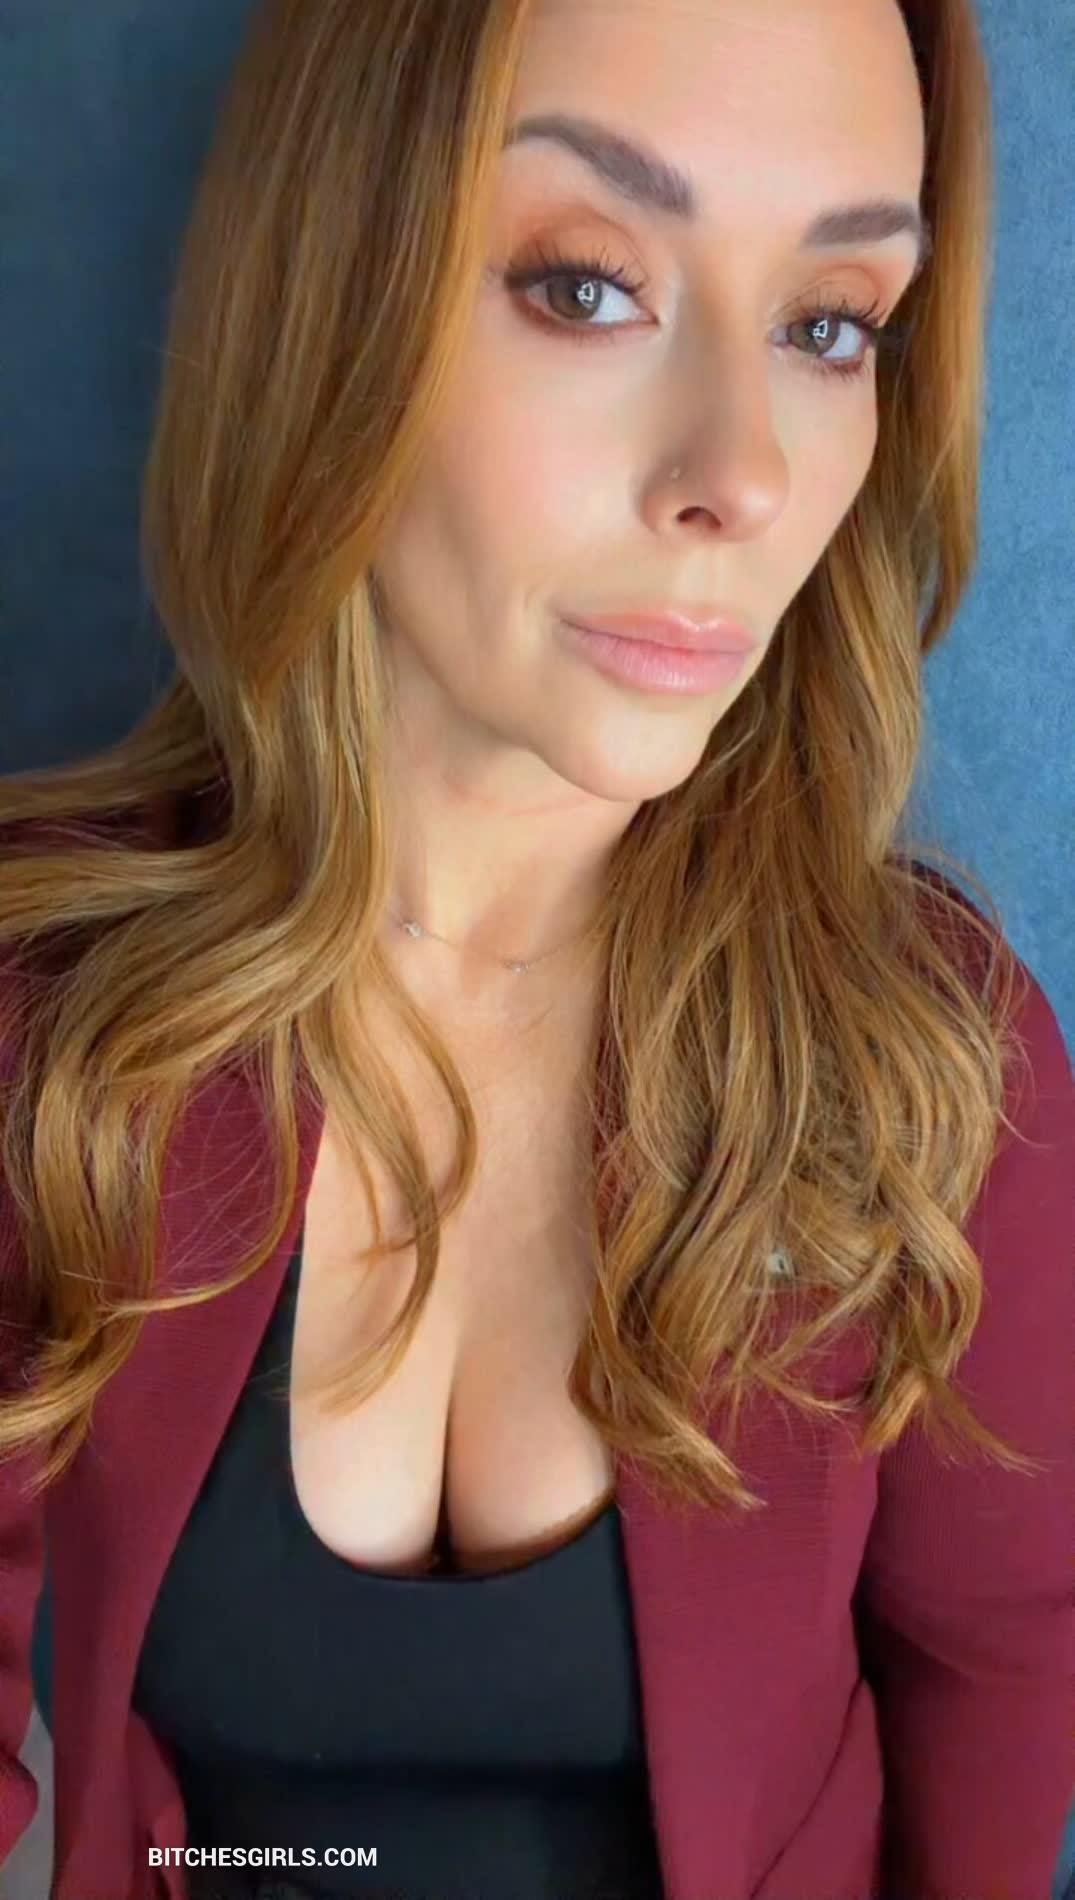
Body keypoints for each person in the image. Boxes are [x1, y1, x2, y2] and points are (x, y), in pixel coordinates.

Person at [1, 0, 1072, 1896]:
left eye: (831, 323)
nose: (744, 474)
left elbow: (1001, 1675)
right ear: (334, 296)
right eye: (587, 286)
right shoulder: (44, 1010)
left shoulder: (935, 1064)